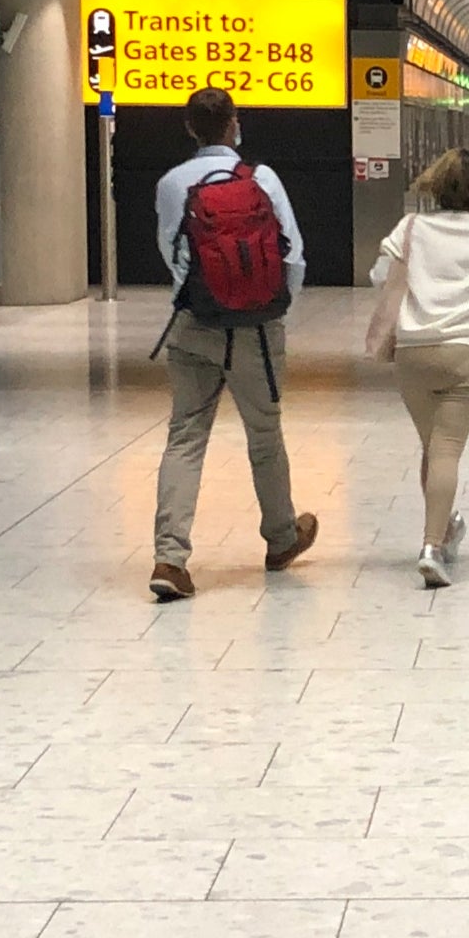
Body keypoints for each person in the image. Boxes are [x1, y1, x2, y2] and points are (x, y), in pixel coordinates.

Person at [148, 90, 318, 601]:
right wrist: (273, 309)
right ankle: (281, 538)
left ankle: (170, 558)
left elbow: (170, 252)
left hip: (193, 325)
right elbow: (294, 253)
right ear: (234, 125)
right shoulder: (262, 179)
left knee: (185, 437)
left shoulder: (170, 183)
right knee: (264, 434)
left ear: (189, 127)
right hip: (257, 332)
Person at [371, 148, 469, 588]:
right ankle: (432, 546)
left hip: (413, 354)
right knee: (447, 450)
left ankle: (447, 526)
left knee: (433, 447)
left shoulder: (412, 227)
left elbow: (381, 276)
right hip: (464, 353)